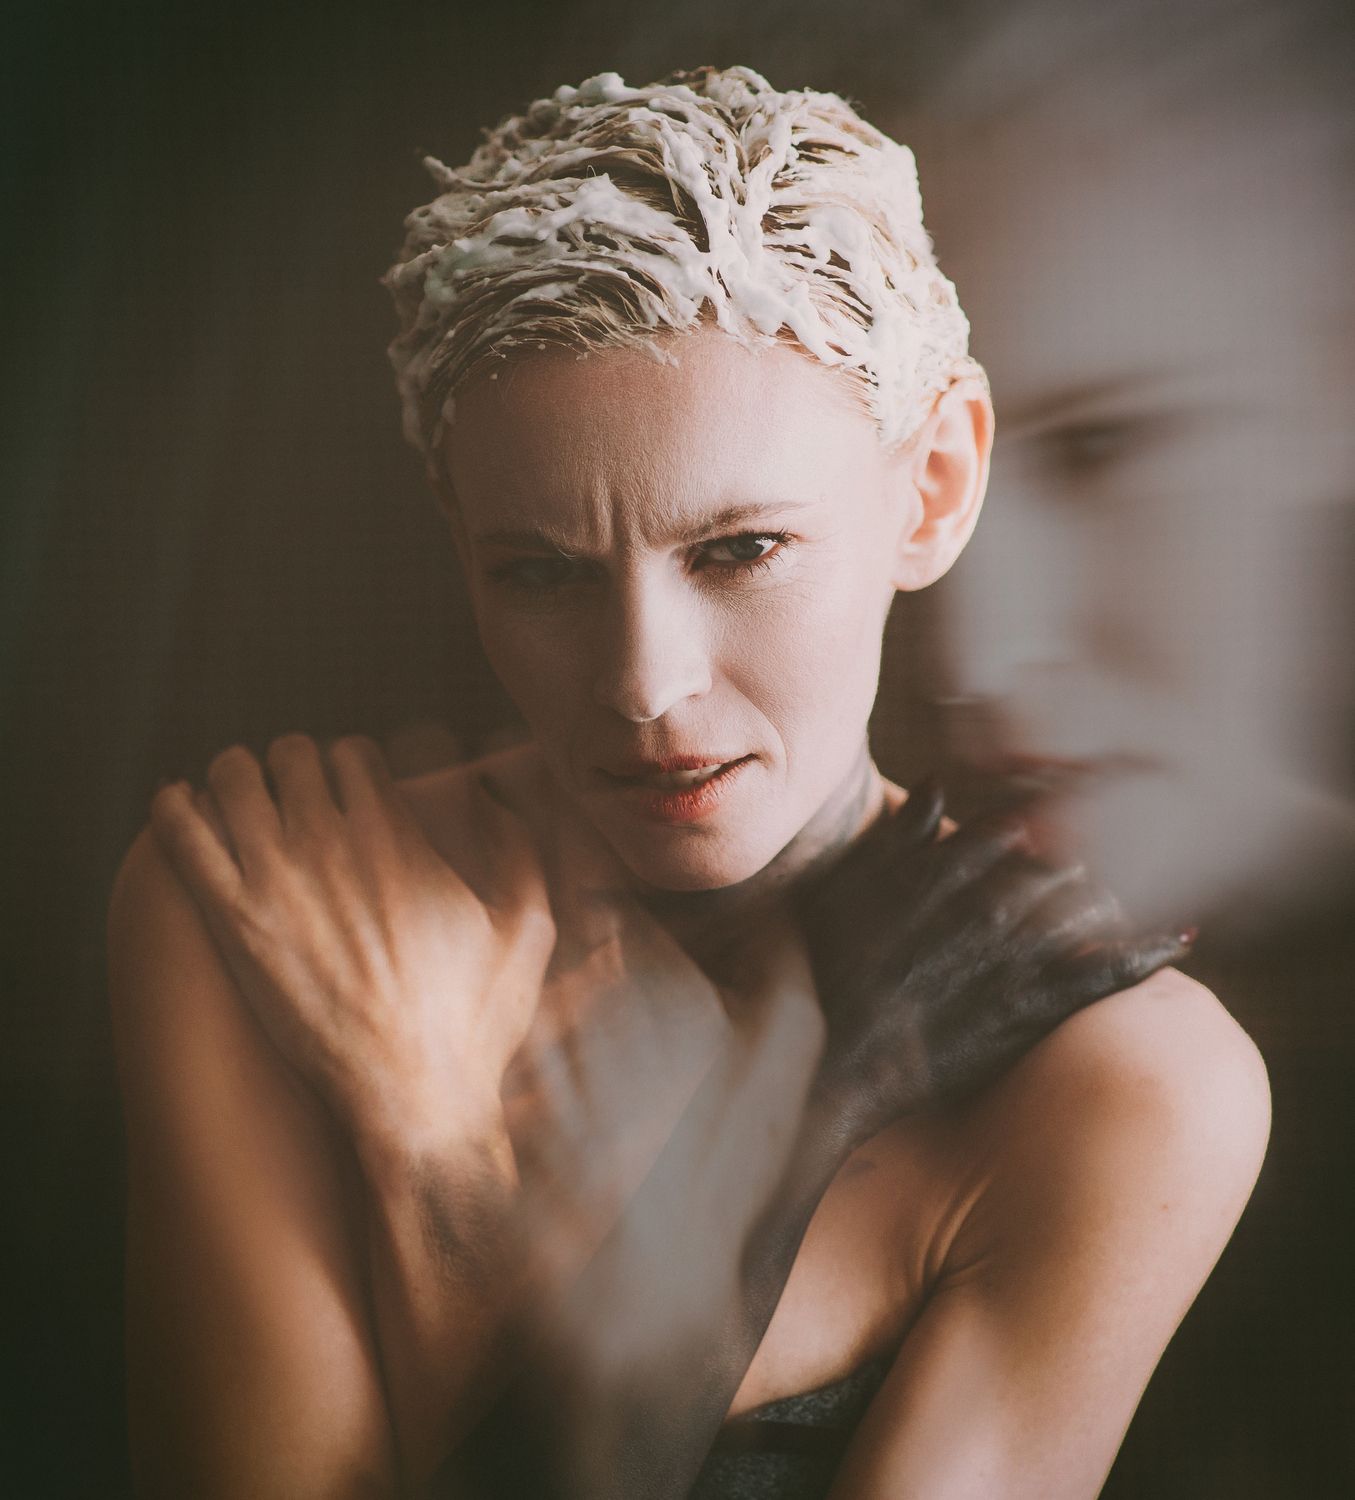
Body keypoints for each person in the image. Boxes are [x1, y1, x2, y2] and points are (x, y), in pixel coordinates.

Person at [106, 66, 1270, 1500]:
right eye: (540, 573)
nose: (643, 686)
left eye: (740, 551)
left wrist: (443, 1165)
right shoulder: (270, 901)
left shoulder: (1123, 1082)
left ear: (934, 487)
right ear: (461, 541)